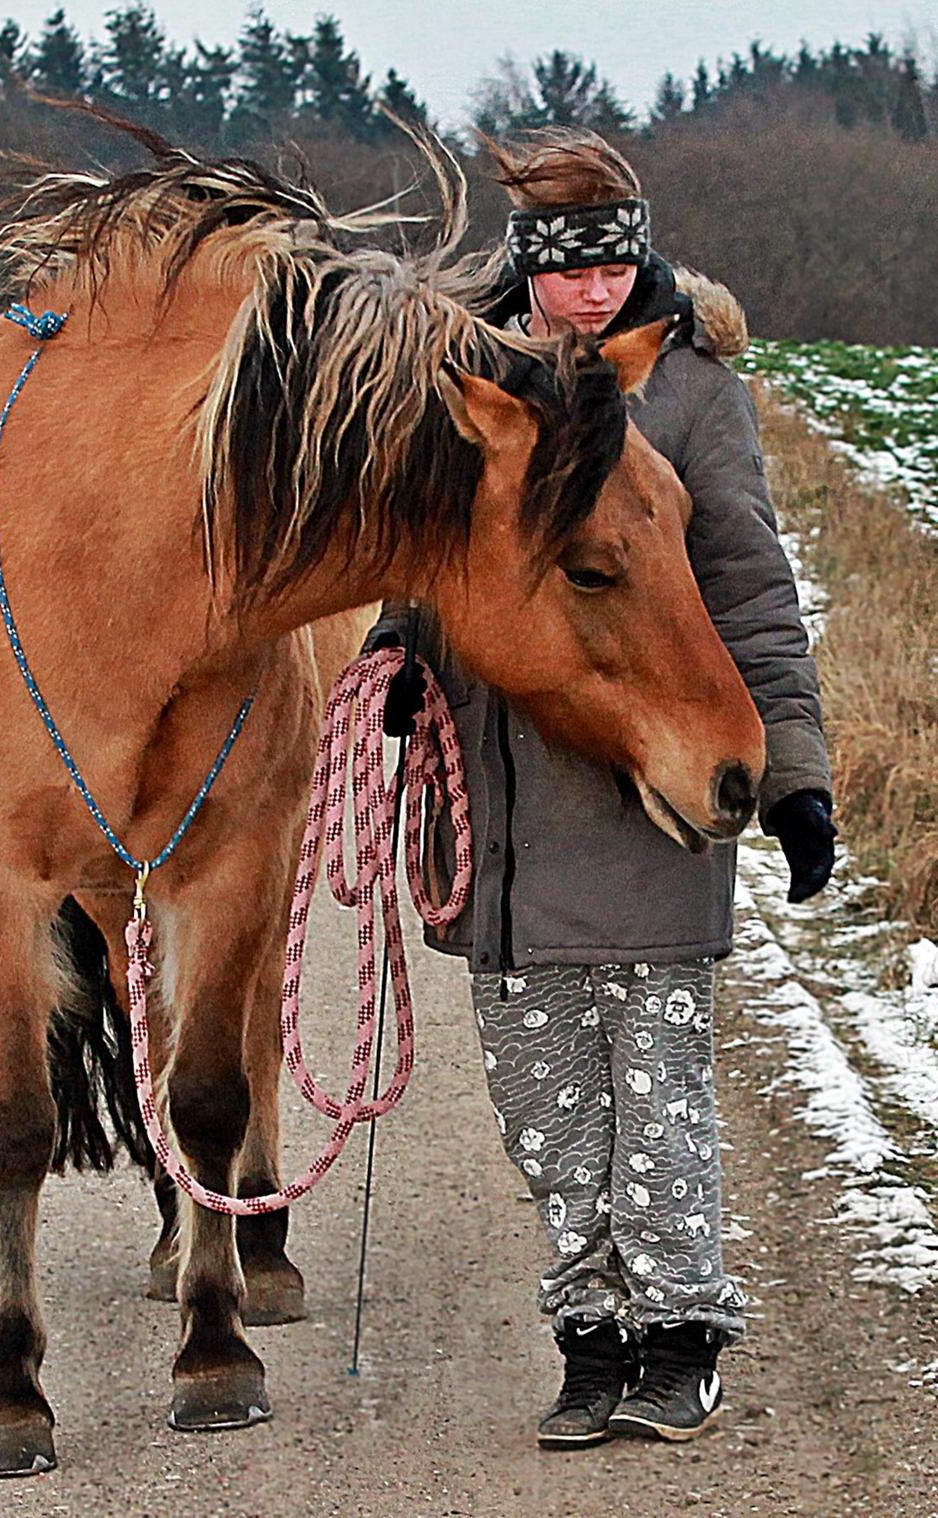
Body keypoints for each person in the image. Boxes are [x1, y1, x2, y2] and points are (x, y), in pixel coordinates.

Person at [367, 126, 835, 1448]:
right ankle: (589, 1339)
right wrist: (393, 658)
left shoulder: (687, 394)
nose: (593, 294)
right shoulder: (461, 389)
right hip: (499, 824)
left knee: (659, 1101)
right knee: (545, 1114)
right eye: (569, 274)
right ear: (528, 273)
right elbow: (423, 569)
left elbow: (745, 589)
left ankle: (679, 1337)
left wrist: (790, 773)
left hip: (644, 810)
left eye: (615, 266)